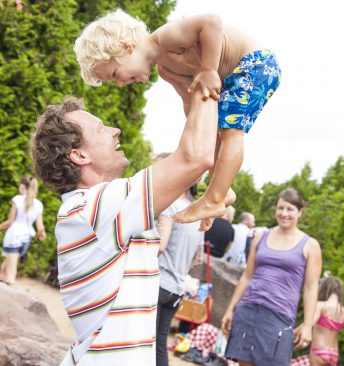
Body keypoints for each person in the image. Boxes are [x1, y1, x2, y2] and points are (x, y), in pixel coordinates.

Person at [30, 77, 218, 365]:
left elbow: (197, 158)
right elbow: (196, 158)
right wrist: (208, 79)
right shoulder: (94, 207)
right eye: (101, 128)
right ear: (78, 154)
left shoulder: (90, 210)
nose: (115, 130)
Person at [73, 9, 282, 228]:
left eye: (115, 74)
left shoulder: (167, 38)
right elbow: (189, 100)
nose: (121, 83)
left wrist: (209, 69)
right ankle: (220, 188)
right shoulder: (165, 70)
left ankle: (215, 198)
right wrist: (195, 128)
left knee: (232, 132)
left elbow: (211, 21)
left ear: (126, 48)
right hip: (235, 76)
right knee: (218, 132)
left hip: (254, 64)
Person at [221, 188, 322, 366]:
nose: (284, 213)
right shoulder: (260, 237)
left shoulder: (310, 245)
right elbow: (246, 276)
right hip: (248, 311)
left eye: (290, 209)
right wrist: (230, 309)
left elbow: (310, 287)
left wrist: (307, 325)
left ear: (300, 212)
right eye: (280, 208)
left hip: (279, 317)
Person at [156, 183, 204, 366]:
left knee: (145, 342)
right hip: (177, 289)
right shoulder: (198, 214)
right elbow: (198, 259)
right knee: (160, 344)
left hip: (158, 283)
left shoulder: (170, 206)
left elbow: (160, 246)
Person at [297, 276, 344, 366]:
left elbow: (309, 324)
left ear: (324, 289)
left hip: (319, 350)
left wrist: (294, 332)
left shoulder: (321, 306)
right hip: (334, 354)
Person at [0, 176, 46, 285]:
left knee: (10, 276)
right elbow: (40, 226)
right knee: (3, 270)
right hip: (26, 239)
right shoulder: (39, 204)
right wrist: (41, 234)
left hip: (13, 237)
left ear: (22, 186)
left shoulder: (18, 199)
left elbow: (10, 222)